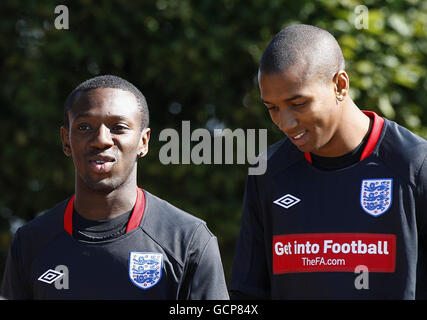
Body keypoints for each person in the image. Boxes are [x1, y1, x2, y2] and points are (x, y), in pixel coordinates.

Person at [229, 24, 427, 299]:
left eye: (298, 103)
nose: (285, 123)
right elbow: (247, 292)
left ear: (340, 85)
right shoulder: (269, 171)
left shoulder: (414, 165)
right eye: (272, 108)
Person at [1, 75, 229, 300]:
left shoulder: (188, 240)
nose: (102, 140)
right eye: (84, 127)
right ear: (66, 140)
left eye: (118, 127)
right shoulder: (30, 242)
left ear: (143, 141)